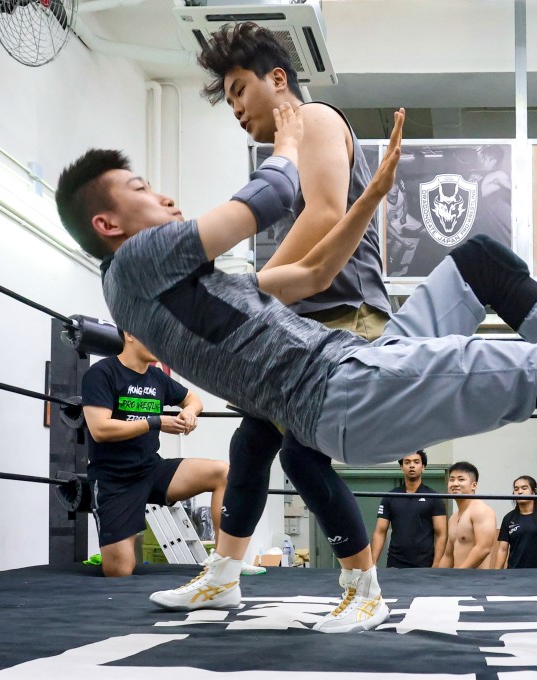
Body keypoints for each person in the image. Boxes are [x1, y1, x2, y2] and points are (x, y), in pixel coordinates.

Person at [55, 105, 537, 642]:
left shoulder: (183, 287)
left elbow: (309, 275)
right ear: (108, 225)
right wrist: (288, 138)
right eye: (141, 190)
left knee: (479, 260)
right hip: (344, 392)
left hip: (360, 362)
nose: (162, 195)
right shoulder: (137, 261)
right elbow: (275, 193)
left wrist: (372, 196)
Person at [184, 22, 393, 632]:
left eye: (239, 90)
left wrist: (253, 289)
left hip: (344, 314)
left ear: (278, 80)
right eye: (227, 101)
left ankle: (365, 588)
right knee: (251, 444)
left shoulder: (321, 119)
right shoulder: (286, 156)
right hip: (304, 319)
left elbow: (329, 213)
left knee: (302, 455)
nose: (236, 109)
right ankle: (223, 578)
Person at [80, 331, 228, 577]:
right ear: (128, 334)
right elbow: (100, 429)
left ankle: (224, 561)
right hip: (115, 480)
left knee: (222, 472)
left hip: (152, 470)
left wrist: (190, 412)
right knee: (118, 571)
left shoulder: (157, 377)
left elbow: (194, 399)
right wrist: (155, 422)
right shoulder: (101, 373)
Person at [370, 450, 447, 568]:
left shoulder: (434, 497)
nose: (412, 465)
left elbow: (441, 534)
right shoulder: (390, 497)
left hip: (424, 565)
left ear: (423, 467)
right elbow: (380, 532)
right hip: (395, 563)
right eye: (407, 462)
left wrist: (436, 565)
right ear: (402, 467)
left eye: (416, 462)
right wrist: (372, 562)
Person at [495, 476, 537, 569]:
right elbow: (502, 550)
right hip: (512, 575)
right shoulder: (508, 518)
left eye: (524, 488)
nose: (519, 492)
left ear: (534, 492)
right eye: (516, 489)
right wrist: (496, 575)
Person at [440, 462, 497, 569]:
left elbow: (483, 548)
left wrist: (459, 573)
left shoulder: (481, 510)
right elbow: (448, 556)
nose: (455, 483)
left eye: (461, 479)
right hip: (457, 582)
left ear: (473, 485)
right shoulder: (453, 518)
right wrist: (437, 579)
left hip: (476, 582)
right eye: (452, 479)